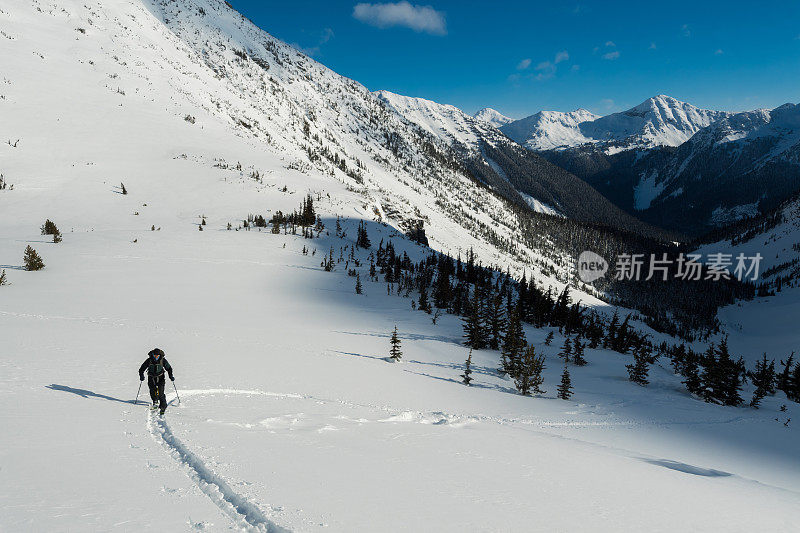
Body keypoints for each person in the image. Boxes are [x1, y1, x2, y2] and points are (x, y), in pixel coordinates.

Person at [138, 348, 174, 415]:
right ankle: (155, 402)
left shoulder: (162, 360)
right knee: (152, 390)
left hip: (161, 377)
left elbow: (169, 368)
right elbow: (142, 368)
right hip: (151, 377)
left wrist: (170, 376)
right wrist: (141, 375)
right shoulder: (149, 360)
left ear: (160, 355)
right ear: (153, 354)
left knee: (161, 392)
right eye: (155, 355)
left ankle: (163, 406)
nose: (156, 356)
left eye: (157, 355)